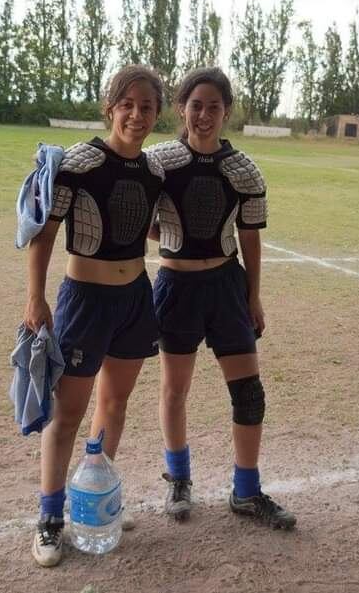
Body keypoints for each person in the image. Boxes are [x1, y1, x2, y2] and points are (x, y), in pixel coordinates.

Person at [23, 65, 165, 567]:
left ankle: (96, 497)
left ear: (156, 114)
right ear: (110, 109)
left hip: (134, 301)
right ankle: (49, 519)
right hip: (84, 301)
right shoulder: (79, 162)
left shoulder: (154, 172)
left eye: (147, 106)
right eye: (127, 104)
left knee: (115, 405)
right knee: (66, 415)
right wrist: (36, 299)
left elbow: (141, 226)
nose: (136, 114)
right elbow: (43, 234)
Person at [146, 67, 297, 530]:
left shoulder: (243, 170)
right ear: (181, 109)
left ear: (226, 111)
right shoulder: (158, 163)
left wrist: (254, 296)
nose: (205, 115)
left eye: (214, 107)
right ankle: (179, 480)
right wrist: (168, 235)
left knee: (248, 394)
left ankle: (246, 491)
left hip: (227, 287)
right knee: (175, 389)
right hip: (176, 288)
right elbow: (142, 221)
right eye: (196, 105)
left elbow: (250, 238)